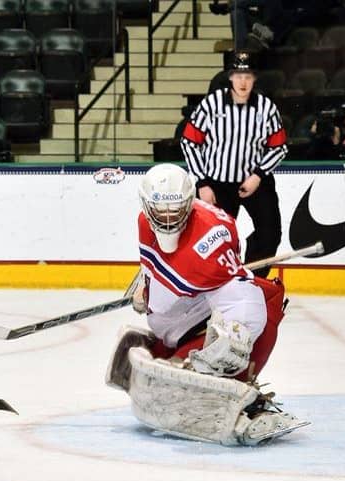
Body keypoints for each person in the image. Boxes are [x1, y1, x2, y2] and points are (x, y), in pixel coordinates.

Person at [106, 163, 306, 446]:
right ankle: (178, 352)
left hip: (215, 309)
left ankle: (233, 382)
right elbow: (157, 264)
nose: (166, 217)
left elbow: (236, 290)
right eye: (159, 210)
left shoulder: (213, 234)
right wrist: (145, 284)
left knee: (250, 308)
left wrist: (232, 338)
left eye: (174, 209)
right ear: (146, 205)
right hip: (184, 316)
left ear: (189, 203)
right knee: (174, 323)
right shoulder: (143, 222)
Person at [180, 52, 287, 278]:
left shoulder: (266, 108)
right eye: (238, 75)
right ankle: (210, 285)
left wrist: (258, 175)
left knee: (270, 234)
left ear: (254, 78)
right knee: (209, 240)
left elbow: (279, 146)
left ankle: (252, 280)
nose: (243, 82)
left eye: (248, 76)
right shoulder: (212, 104)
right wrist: (202, 182)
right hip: (216, 184)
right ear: (230, 77)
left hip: (255, 182)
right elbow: (189, 141)